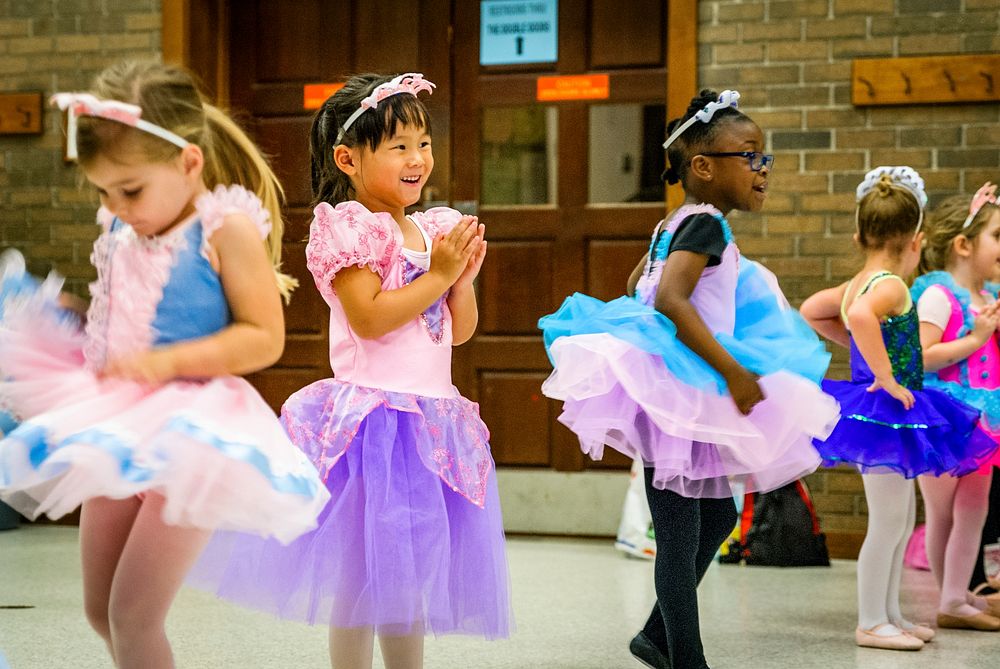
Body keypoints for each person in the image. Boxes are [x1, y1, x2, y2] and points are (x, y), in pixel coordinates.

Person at [0, 60, 329, 668]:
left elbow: (264, 337)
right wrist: (75, 322)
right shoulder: (124, 230)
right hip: (119, 426)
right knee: (101, 612)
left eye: (130, 190)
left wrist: (165, 361)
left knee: (134, 615)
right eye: (103, 191)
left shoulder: (224, 228)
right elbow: (123, 324)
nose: (117, 206)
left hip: (196, 437)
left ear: (189, 163)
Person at [190, 72, 511, 669]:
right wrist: (439, 277)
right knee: (361, 577)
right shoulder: (350, 227)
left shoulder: (433, 228)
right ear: (349, 158)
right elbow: (369, 319)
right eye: (399, 147)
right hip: (374, 429)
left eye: (424, 143)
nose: (418, 159)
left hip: (430, 425)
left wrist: (460, 281)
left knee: (407, 575)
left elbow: (457, 331)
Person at [539, 88, 838, 669]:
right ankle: (687, 659)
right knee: (677, 534)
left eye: (764, 157)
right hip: (684, 389)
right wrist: (732, 370)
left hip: (676, 387)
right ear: (703, 167)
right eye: (749, 156)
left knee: (720, 515)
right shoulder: (705, 227)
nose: (762, 169)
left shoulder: (675, 222)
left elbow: (639, 286)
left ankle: (655, 635)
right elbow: (673, 300)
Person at [802, 167, 998, 651]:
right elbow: (864, 317)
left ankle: (889, 614)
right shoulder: (888, 284)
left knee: (899, 521)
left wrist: (864, 351)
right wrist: (883, 373)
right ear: (915, 239)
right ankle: (871, 621)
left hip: (884, 411)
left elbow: (812, 310)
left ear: (858, 234)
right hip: (885, 408)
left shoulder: (856, 282)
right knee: (889, 523)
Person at [910, 182, 1000, 629]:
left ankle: (955, 596)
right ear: (964, 246)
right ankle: (951, 600)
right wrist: (976, 338)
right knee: (942, 512)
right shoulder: (937, 297)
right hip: (945, 418)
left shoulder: (991, 297)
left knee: (974, 510)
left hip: (986, 422)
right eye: (997, 237)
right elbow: (921, 356)